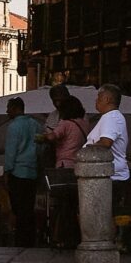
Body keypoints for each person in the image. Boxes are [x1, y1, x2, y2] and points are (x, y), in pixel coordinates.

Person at [41, 96, 89, 248]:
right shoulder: (85, 123)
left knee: (63, 205)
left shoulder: (65, 124)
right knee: (76, 204)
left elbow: (52, 136)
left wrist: (43, 136)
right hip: (80, 167)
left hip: (64, 166)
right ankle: (76, 237)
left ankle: (65, 238)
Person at [3, 96, 41, 247]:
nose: (7, 112)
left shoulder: (13, 127)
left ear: (14, 108)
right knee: (29, 207)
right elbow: (40, 147)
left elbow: (10, 151)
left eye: (8, 108)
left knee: (18, 209)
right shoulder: (36, 125)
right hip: (32, 171)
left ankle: (21, 240)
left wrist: (7, 170)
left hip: (17, 171)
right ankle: (29, 239)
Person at [85, 83, 130, 209]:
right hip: (106, 174)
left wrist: (86, 150)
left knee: (103, 214)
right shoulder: (110, 117)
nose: (96, 101)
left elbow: (106, 143)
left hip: (110, 176)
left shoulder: (111, 117)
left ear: (107, 99)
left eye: (99, 98)